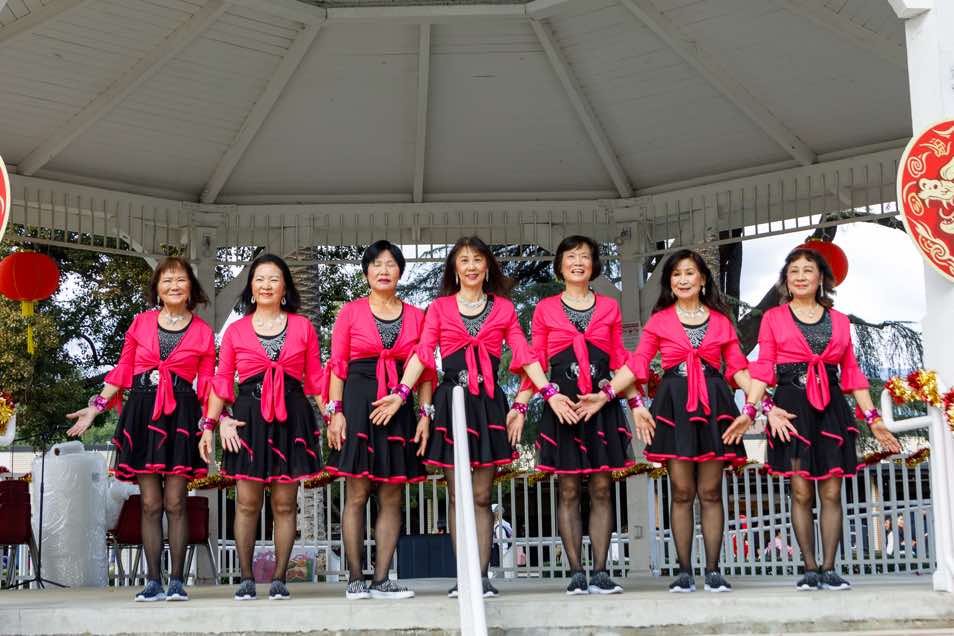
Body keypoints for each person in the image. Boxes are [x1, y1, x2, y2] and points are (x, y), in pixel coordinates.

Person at [370, 235, 572, 598]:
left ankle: (481, 576)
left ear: (487, 266)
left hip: (488, 404)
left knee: (481, 495)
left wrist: (549, 393)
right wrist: (401, 393)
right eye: (463, 260)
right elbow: (423, 354)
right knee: (457, 495)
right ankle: (463, 577)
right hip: (452, 402)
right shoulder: (440, 308)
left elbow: (524, 354)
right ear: (455, 268)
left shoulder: (504, 309)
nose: (471, 266)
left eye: (477, 259)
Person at [589, 249, 754, 593]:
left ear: (703, 279)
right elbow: (637, 363)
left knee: (710, 492)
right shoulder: (660, 320)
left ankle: (713, 570)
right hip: (674, 404)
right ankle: (683, 572)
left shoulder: (721, 322)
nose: (682, 279)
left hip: (714, 404)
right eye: (676, 274)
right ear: (669, 282)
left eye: (689, 273)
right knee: (681, 491)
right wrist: (607, 395)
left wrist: (760, 405)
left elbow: (738, 369)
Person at [741, 247, 901, 591]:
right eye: (794, 271)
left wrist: (873, 419)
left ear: (821, 279)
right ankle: (809, 568)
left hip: (831, 409)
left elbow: (852, 372)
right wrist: (751, 410)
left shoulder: (839, 320)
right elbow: (764, 367)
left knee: (831, 491)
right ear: (786, 280)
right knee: (801, 492)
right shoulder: (774, 318)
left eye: (807, 270)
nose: (800, 276)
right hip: (792, 408)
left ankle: (829, 568)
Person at [67, 257, 215, 602]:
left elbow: (208, 383)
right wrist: (96, 407)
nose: (174, 286)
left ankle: (176, 581)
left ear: (190, 287)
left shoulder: (203, 332)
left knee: (176, 501)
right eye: (166, 280)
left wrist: (214, 421)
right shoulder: (141, 323)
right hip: (143, 412)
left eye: (180, 279)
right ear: (157, 289)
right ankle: (152, 582)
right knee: (149, 503)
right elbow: (123, 369)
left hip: (181, 415)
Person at [511, 235, 636, 595]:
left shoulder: (609, 307)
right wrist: (521, 405)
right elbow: (535, 360)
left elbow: (619, 359)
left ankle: (601, 572)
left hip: (600, 404)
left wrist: (635, 403)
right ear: (560, 265)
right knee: (567, 490)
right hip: (561, 405)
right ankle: (576, 573)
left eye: (584, 256)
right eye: (571, 256)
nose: (578, 262)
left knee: (602, 488)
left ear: (594, 265)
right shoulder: (545, 309)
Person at [199, 254, 324, 602]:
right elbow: (222, 380)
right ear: (251, 288)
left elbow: (316, 379)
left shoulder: (303, 327)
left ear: (285, 288)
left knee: (285, 504)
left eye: (274, 279)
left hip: (291, 417)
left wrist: (334, 415)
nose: (266, 285)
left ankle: (280, 578)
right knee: (246, 503)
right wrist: (215, 423)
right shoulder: (236, 330)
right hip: (248, 419)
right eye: (260, 279)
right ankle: (245, 578)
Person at [324, 241, 434, 601]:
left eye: (390, 264)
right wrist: (336, 412)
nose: (383, 270)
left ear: (400, 271)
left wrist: (424, 415)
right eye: (376, 264)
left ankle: (383, 579)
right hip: (358, 404)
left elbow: (426, 371)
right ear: (366, 272)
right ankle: (356, 578)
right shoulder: (350, 312)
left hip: (399, 407)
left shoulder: (417, 316)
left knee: (391, 494)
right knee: (356, 493)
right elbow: (337, 365)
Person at [491, 503, 515, 579]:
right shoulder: (504, 524)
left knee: (497, 577)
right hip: (501, 557)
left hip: (499, 558)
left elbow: (503, 545)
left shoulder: (499, 527)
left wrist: (504, 560)